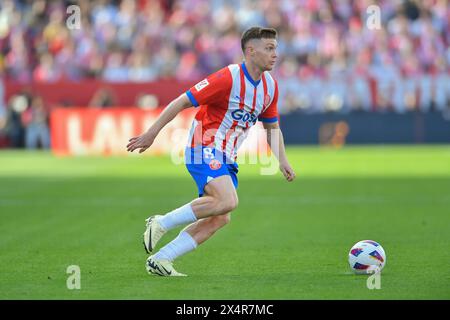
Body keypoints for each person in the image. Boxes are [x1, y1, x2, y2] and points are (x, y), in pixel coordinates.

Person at [127, 27, 296, 276]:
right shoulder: (228, 78)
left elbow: (272, 127)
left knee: (220, 216)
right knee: (228, 200)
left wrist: (283, 161)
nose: (275, 54)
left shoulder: (270, 87)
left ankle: (162, 259)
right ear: (250, 51)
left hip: (227, 156)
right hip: (203, 145)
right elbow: (182, 101)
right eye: (269, 48)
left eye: (275, 48)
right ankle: (161, 222)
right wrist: (152, 133)